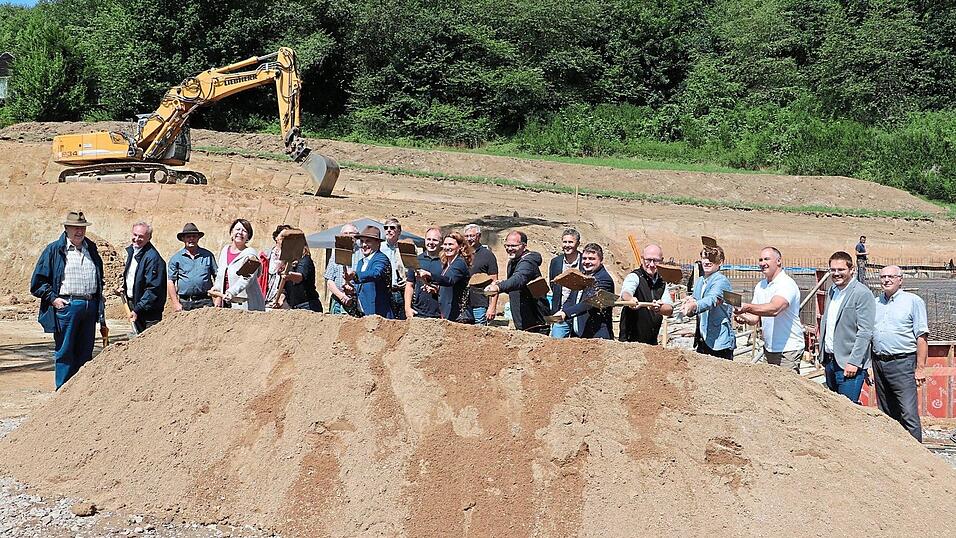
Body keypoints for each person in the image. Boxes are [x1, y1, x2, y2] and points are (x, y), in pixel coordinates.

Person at [30, 211, 108, 389]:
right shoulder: (54, 250)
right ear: (66, 228)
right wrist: (53, 299)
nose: (79, 231)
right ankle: (63, 393)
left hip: (90, 307)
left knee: (85, 352)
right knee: (65, 351)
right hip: (67, 306)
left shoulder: (92, 249)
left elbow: (99, 276)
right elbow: (38, 283)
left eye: (82, 228)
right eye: (75, 228)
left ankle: (79, 394)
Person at [872, 265, 928, 441]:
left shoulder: (913, 301)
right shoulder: (875, 303)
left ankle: (917, 456)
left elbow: (921, 336)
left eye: (891, 277)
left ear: (900, 280)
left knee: (908, 412)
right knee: (886, 412)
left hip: (902, 363)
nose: (886, 280)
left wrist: (920, 368)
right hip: (879, 362)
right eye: (883, 277)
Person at [734, 247, 806, 372]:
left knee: (786, 389)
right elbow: (755, 319)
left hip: (788, 349)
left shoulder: (786, 284)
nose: (762, 263)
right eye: (760, 260)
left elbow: (774, 309)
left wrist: (747, 307)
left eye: (767, 259)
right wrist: (743, 315)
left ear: (778, 261)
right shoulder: (761, 286)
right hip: (769, 348)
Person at [816, 251, 875, 403]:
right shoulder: (832, 291)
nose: (836, 274)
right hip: (830, 361)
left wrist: (854, 362)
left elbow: (865, 332)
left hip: (848, 365)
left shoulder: (862, 294)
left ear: (852, 269)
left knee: (848, 413)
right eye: (833, 270)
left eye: (841, 269)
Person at [483, 231, 550, 334]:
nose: (509, 249)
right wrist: (504, 284)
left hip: (536, 324)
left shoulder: (528, 262)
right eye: (507, 245)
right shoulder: (513, 262)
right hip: (523, 321)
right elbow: (517, 287)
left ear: (524, 246)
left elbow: (519, 279)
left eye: (514, 246)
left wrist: (499, 287)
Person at [682, 245, 735, 360]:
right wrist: (690, 303)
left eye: (711, 258)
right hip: (702, 340)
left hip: (718, 343)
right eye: (704, 257)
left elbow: (711, 300)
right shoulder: (700, 281)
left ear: (720, 262)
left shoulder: (721, 281)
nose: (707, 261)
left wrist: (694, 305)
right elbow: (696, 303)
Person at [551, 243, 614, 339]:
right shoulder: (583, 275)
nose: (587, 262)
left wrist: (566, 313)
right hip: (580, 334)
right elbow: (572, 299)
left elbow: (590, 303)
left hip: (597, 336)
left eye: (592, 259)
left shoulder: (604, 280)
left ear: (600, 260)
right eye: (584, 258)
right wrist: (562, 312)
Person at [618, 244, 674, 345]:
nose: (652, 264)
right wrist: (630, 300)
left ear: (662, 260)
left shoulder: (662, 282)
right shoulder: (634, 276)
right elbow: (626, 293)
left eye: (656, 261)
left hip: (651, 342)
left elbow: (669, 309)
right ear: (642, 258)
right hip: (630, 343)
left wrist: (659, 308)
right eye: (648, 260)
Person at [417, 231, 473, 322]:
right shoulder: (447, 264)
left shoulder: (459, 263)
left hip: (460, 316)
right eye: (445, 244)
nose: (447, 247)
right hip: (449, 314)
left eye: (450, 244)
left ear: (460, 247)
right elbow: (449, 287)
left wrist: (430, 275)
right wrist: (436, 289)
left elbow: (450, 280)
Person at [122, 221, 166, 333]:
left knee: (148, 344)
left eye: (141, 236)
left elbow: (153, 289)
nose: (136, 239)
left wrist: (137, 309)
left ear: (149, 238)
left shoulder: (152, 258)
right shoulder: (133, 252)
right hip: (136, 305)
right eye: (135, 235)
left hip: (148, 313)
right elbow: (134, 277)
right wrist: (124, 288)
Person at [213, 218, 266, 311]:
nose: (240, 233)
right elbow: (220, 272)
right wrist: (217, 289)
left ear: (248, 237)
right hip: (226, 303)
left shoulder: (250, 254)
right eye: (237, 229)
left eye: (244, 231)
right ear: (231, 232)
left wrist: (232, 292)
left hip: (247, 305)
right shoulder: (225, 250)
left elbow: (247, 278)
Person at [167, 223, 217, 311]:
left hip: (205, 301)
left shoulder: (208, 256)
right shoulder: (176, 259)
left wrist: (218, 299)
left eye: (194, 236)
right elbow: (171, 281)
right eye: (188, 236)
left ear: (198, 238)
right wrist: (175, 303)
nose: (191, 239)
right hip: (185, 303)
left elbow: (218, 277)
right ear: (183, 239)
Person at [346, 225, 394, 318]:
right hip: (363, 315)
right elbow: (361, 287)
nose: (364, 245)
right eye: (362, 241)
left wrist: (355, 275)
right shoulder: (361, 262)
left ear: (378, 243)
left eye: (368, 241)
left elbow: (376, 273)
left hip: (379, 316)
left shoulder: (381, 259)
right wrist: (351, 290)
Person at [548, 228, 581, 338]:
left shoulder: (585, 262)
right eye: (565, 242)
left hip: (579, 313)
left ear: (578, 243)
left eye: (571, 242)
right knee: (556, 343)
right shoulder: (556, 262)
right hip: (560, 312)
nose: (567, 245)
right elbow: (553, 284)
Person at [463, 224, 499, 325]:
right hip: (463, 302)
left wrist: (492, 307)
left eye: (472, 236)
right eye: (466, 236)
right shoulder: (461, 254)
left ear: (479, 236)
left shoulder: (487, 255)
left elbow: (494, 281)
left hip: (480, 302)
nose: (469, 239)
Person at [404, 227, 443, 319]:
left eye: (435, 240)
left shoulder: (446, 262)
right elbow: (409, 285)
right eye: (428, 239)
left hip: (439, 313)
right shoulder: (416, 260)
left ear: (441, 242)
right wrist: (407, 308)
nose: (431, 243)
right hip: (418, 312)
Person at [325, 223, 361, 316]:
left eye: (351, 233)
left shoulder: (362, 253)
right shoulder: (335, 252)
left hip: (356, 300)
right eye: (345, 233)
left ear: (357, 236)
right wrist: (341, 297)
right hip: (338, 299)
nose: (348, 236)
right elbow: (329, 280)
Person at [378, 217, 408, 319]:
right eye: (386, 228)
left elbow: (413, 267)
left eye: (392, 228)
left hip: (401, 291)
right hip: (384, 291)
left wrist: (408, 280)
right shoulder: (379, 247)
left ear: (399, 231)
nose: (389, 230)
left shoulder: (405, 247)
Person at [279, 243, 323, 312]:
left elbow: (300, 277)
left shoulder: (305, 260)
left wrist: (289, 275)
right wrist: (280, 300)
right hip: (293, 307)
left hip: (308, 305)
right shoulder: (287, 264)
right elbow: (284, 290)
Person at [263, 224, 292, 307]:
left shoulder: (292, 259)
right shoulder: (266, 255)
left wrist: (282, 297)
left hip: (281, 301)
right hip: (264, 298)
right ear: (276, 237)